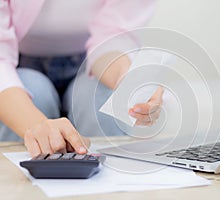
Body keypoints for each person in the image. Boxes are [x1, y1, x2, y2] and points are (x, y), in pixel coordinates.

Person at [0, 0, 163, 157]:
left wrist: (126, 80)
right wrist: (34, 126)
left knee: (99, 98)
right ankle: (20, 179)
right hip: (16, 63)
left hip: (93, 63)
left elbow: (113, 35)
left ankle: (110, 177)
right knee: (33, 93)